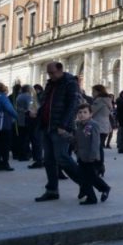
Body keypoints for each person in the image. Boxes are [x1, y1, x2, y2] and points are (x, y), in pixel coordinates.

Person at [35, 62, 83, 202]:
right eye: (49, 73)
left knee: (62, 157)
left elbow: (73, 104)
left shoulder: (70, 83)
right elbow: (45, 102)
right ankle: (52, 190)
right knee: (49, 160)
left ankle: (84, 183)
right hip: (46, 126)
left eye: (52, 72)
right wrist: (37, 114)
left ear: (61, 70)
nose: (50, 75)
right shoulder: (50, 84)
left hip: (60, 127)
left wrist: (63, 124)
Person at [74, 104, 111, 205]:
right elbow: (76, 140)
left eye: (85, 112)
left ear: (91, 114)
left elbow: (95, 143)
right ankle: (97, 193)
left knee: (89, 177)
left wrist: (93, 156)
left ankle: (99, 192)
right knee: (86, 177)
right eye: (80, 112)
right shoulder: (79, 125)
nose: (82, 114)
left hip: (91, 157)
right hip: (82, 156)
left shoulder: (92, 125)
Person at [0, 83, 18, 171]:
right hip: (4, 123)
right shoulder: (3, 97)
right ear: (3, 89)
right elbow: (9, 108)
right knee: (5, 144)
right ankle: (5, 163)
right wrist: (16, 116)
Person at [91, 85, 113, 177]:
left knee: (97, 147)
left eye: (93, 91)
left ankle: (98, 166)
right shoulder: (107, 100)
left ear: (98, 92)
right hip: (105, 125)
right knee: (99, 147)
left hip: (98, 126)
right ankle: (100, 166)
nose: (92, 93)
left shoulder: (99, 101)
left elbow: (91, 112)